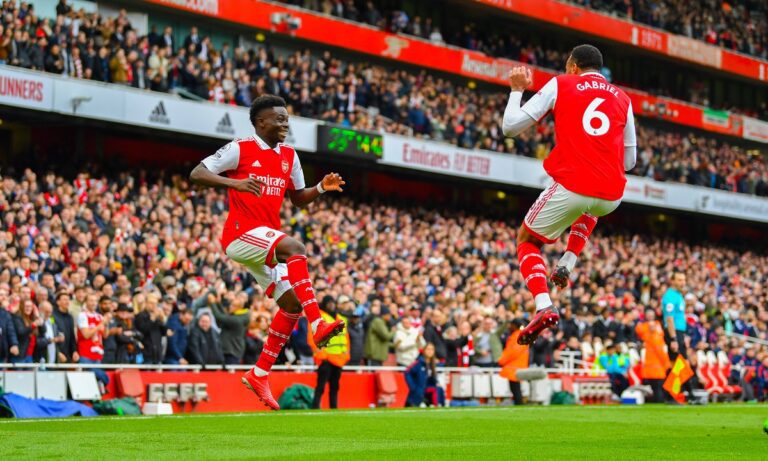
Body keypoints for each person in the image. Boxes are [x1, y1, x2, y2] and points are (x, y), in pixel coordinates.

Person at [190, 94, 346, 410]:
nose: (285, 123)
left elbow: (297, 198)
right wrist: (235, 184)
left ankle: (259, 373)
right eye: (279, 118)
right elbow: (197, 173)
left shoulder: (289, 155)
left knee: (291, 305)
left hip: (264, 238)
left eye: (287, 118)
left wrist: (320, 188)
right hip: (240, 235)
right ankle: (318, 323)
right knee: (295, 248)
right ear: (261, 122)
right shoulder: (240, 148)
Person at [501, 44, 636, 345]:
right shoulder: (624, 99)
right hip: (611, 196)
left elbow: (510, 128)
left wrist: (516, 90)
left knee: (527, 240)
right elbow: (630, 161)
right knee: (591, 204)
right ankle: (569, 259)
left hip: (573, 185)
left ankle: (543, 305)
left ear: (573, 66)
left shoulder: (562, 83)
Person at [309, 300, 349, 409]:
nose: (331, 305)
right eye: (329, 302)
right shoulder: (321, 317)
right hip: (326, 359)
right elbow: (311, 336)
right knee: (321, 386)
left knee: (334, 386)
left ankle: (333, 407)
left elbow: (346, 339)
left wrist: (346, 355)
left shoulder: (342, 318)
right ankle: (315, 407)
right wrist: (321, 355)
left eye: (332, 302)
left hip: (338, 359)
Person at [635, 309, 670, 403]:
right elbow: (640, 332)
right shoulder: (643, 327)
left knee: (658, 385)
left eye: (652, 314)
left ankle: (660, 399)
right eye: (648, 314)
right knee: (656, 385)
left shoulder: (658, 326)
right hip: (654, 363)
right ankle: (659, 400)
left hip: (657, 363)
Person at [76, 293, 110, 388]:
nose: (93, 303)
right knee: (100, 378)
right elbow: (86, 335)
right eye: (91, 300)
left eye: (95, 301)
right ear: (86, 302)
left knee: (95, 381)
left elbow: (105, 335)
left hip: (97, 354)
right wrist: (100, 324)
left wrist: (106, 324)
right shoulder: (82, 315)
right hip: (85, 353)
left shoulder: (99, 316)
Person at [210, 293, 250, 364]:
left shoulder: (238, 320)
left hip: (232, 352)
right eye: (231, 304)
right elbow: (224, 316)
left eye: (233, 305)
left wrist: (212, 303)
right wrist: (218, 303)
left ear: (240, 308)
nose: (230, 307)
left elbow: (219, 316)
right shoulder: (238, 316)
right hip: (228, 351)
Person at [498, 319, 529, 405]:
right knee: (515, 389)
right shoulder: (519, 335)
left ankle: (519, 405)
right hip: (516, 366)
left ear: (515, 325)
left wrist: (502, 360)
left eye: (511, 325)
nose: (509, 327)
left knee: (515, 389)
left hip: (514, 367)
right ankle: (519, 404)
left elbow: (513, 352)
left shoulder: (517, 336)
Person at [404, 343, 444, 407]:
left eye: (432, 349)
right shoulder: (419, 362)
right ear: (424, 350)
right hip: (418, 390)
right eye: (428, 349)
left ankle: (438, 405)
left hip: (427, 389)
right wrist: (413, 387)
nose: (430, 351)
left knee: (439, 389)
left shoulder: (433, 364)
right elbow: (407, 372)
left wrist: (436, 382)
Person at [662, 272, 688, 359]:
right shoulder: (670, 296)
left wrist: (684, 335)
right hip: (673, 332)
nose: (683, 283)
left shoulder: (679, 295)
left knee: (680, 362)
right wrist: (674, 339)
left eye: (684, 280)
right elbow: (669, 319)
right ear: (672, 281)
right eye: (680, 280)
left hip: (680, 332)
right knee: (679, 362)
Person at [53, 291, 78, 363]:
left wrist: (74, 351)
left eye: (68, 300)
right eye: (64, 299)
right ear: (58, 302)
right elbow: (51, 334)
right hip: (56, 354)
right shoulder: (52, 316)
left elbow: (72, 337)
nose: (67, 302)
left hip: (68, 355)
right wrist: (57, 352)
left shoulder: (70, 317)